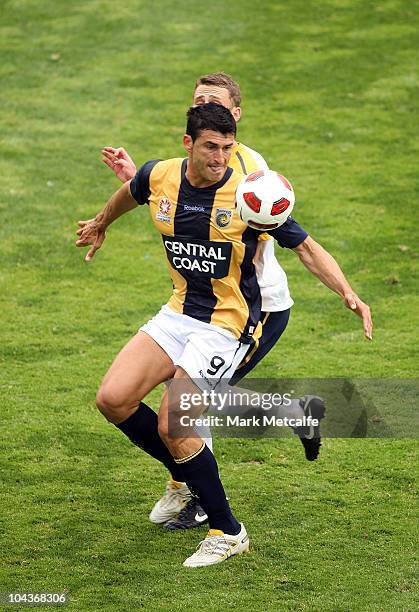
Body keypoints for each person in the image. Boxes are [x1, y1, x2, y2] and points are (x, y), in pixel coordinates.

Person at [76, 103, 372, 567]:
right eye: (211, 147)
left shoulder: (250, 196)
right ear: (188, 143)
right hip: (179, 312)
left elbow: (307, 247)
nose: (220, 158)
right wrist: (100, 224)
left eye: (228, 148)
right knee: (113, 398)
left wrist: (348, 293)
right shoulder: (160, 175)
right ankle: (196, 472)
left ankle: (226, 530)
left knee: (176, 421)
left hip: (229, 323)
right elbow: (131, 193)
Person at [100, 72, 324, 533]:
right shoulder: (188, 165)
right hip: (199, 304)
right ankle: (280, 420)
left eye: (215, 102)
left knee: (183, 407)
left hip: (254, 307)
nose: (205, 106)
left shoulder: (250, 175)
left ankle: (202, 503)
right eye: (199, 101)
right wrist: (139, 183)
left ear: (235, 115)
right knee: (178, 403)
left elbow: (273, 238)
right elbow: (174, 194)